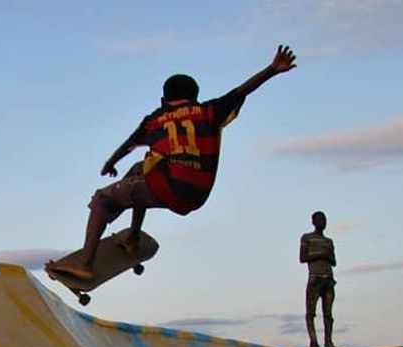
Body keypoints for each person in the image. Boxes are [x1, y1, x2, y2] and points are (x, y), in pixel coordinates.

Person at [45, 45, 298, 281]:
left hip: (168, 189)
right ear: (195, 97)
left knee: (102, 198)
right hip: (198, 193)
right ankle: (132, 238)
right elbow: (242, 90)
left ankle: (85, 265)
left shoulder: (155, 119)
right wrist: (272, 69)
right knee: (139, 171)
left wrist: (110, 162)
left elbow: (129, 144)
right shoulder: (209, 111)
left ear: (163, 99)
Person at [300, 210, 340, 347]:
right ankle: (314, 342)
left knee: (328, 313)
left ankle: (328, 342)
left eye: (324, 220)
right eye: (319, 220)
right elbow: (302, 258)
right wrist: (321, 255)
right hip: (315, 278)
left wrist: (326, 256)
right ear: (313, 222)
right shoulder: (307, 238)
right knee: (311, 312)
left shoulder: (328, 241)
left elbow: (333, 261)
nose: (322, 222)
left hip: (328, 279)